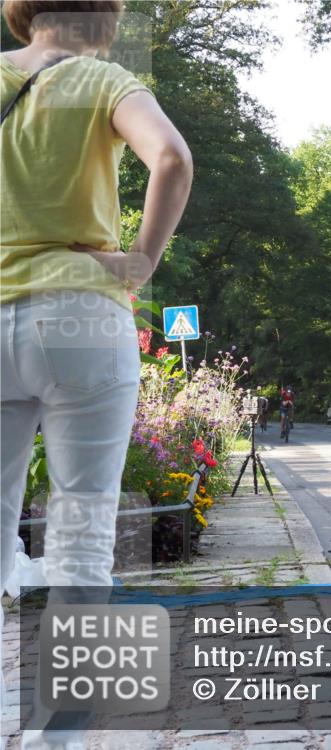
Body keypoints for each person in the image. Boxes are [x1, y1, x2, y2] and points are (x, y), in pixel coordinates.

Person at [0, 1, 192, 745]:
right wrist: (140, 261)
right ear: (101, 18)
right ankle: (60, 737)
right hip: (81, 315)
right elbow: (171, 158)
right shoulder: (102, 80)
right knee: (83, 527)